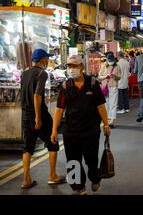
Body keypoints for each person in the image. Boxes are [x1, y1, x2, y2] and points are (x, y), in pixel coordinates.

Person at [51, 55, 111, 195]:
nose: (71, 69)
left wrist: (106, 125)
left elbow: (101, 106)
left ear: (81, 67)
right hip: (71, 130)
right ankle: (78, 187)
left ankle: (95, 178)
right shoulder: (66, 86)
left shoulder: (93, 84)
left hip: (90, 130)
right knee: (73, 160)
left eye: (74, 66)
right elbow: (59, 109)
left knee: (91, 160)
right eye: (69, 66)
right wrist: (54, 130)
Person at [20, 49, 64, 189]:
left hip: (25, 114)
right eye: (47, 59)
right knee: (53, 142)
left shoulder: (24, 73)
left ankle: (26, 179)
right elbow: (37, 95)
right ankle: (52, 176)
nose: (48, 61)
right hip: (39, 115)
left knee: (28, 147)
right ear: (42, 60)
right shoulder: (42, 73)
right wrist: (38, 117)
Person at [99, 53, 121, 128]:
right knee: (105, 104)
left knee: (113, 103)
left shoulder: (117, 67)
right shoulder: (103, 66)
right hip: (105, 87)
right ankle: (106, 120)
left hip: (113, 86)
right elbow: (99, 77)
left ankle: (111, 121)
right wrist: (105, 76)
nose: (110, 62)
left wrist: (115, 76)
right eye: (109, 60)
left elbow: (119, 78)